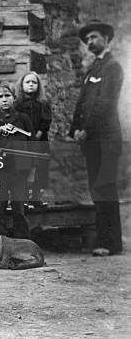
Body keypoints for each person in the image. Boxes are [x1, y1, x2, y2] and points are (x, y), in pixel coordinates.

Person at [70, 20, 123, 256]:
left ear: (106, 39)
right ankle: (105, 239)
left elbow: (104, 103)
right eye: (87, 39)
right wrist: (74, 128)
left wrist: (86, 129)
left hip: (107, 138)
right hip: (91, 139)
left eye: (93, 37)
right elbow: (83, 102)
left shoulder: (112, 67)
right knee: (96, 189)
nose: (90, 42)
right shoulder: (93, 67)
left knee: (105, 188)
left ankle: (110, 243)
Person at [0, 81, 34, 239]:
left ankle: (23, 242)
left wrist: (31, 168)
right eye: (0, 96)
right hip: (0, 171)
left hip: (20, 171)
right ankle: (2, 241)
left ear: (14, 97)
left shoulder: (23, 119)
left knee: (19, 207)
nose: (4, 99)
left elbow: (33, 144)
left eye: (7, 96)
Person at [14, 71, 52, 204]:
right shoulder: (17, 104)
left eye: (34, 82)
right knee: (24, 169)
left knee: (39, 169)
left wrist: (38, 135)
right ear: (22, 85)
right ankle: (23, 198)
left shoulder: (43, 103)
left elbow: (45, 121)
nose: (31, 84)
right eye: (28, 82)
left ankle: (36, 197)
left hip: (39, 141)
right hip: (23, 142)